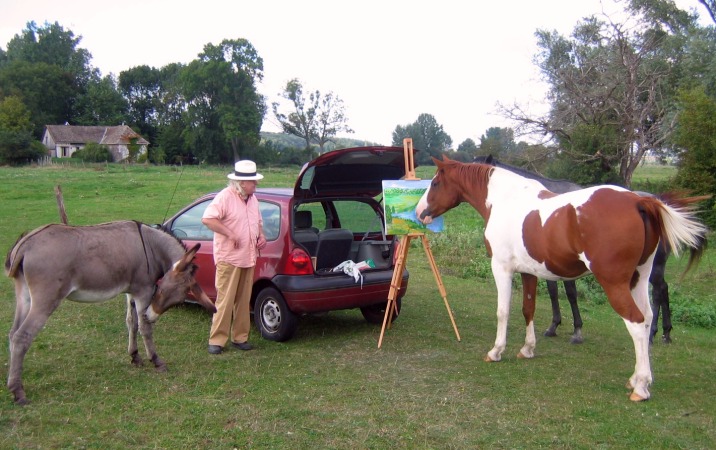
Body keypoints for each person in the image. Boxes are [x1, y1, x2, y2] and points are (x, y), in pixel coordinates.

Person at [202, 160, 267, 354]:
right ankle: (217, 340)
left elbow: (258, 222)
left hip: (249, 257)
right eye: (253, 181)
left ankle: (240, 338)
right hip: (229, 258)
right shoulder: (225, 197)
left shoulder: (253, 199)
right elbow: (208, 219)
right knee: (225, 300)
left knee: (243, 300)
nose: (256, 184)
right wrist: (229, 234)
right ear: (242, 183)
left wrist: (261, 236)